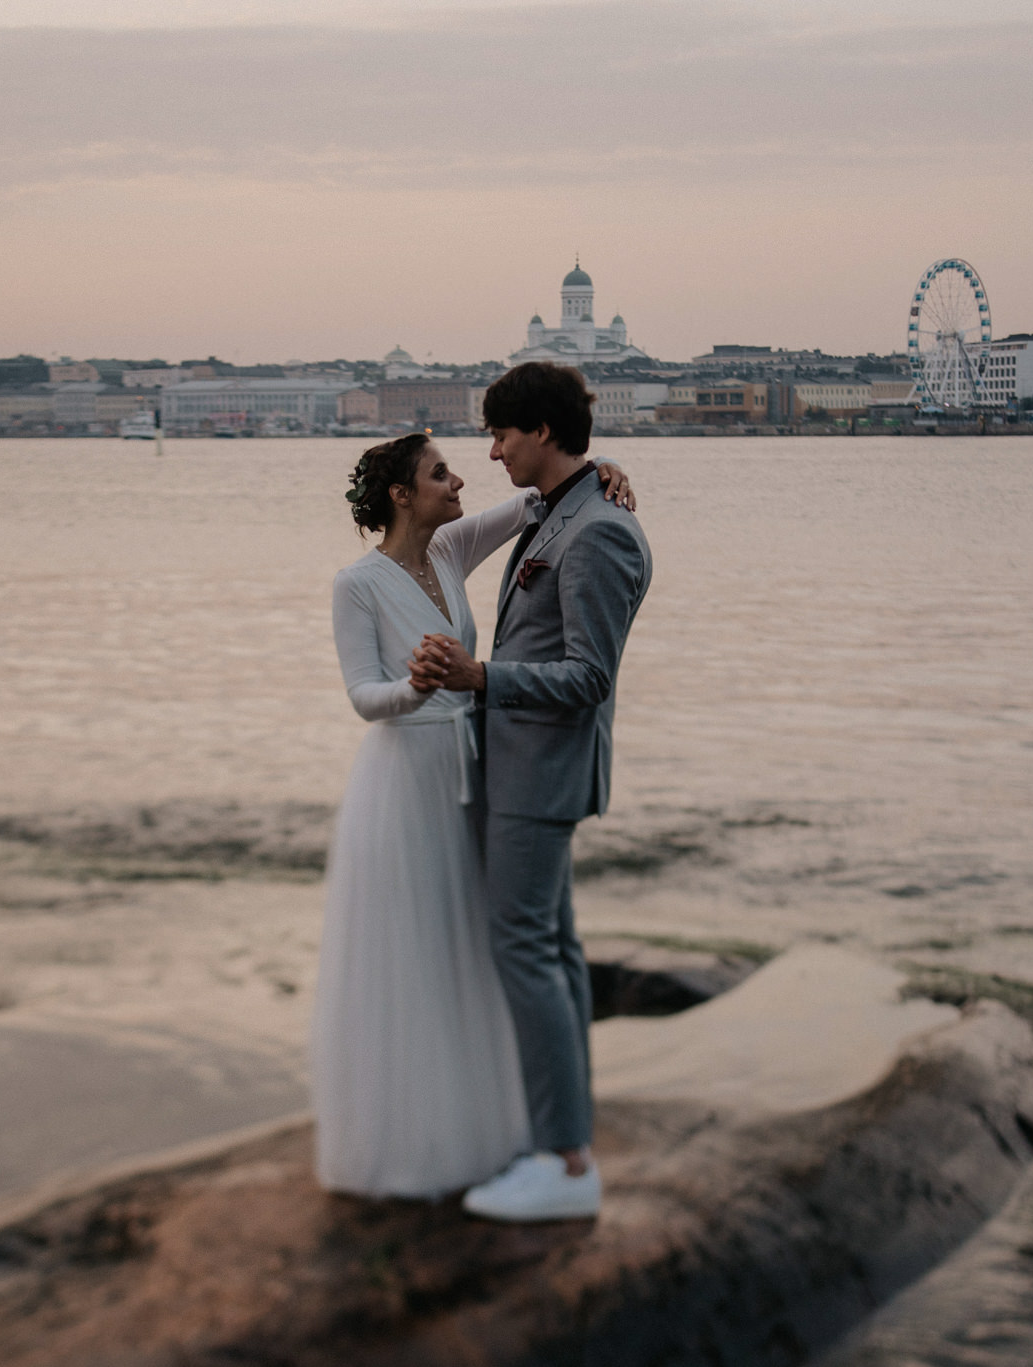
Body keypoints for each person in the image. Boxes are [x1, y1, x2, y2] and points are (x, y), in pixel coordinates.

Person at [311, 432, 633, 1199]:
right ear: (400, 494)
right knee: (418, 950)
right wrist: (416, 690)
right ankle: (416, 1142)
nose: (459, 480)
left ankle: (500, 1126)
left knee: (477, 941)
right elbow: (363, 697)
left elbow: (536, 500)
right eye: (439, 473)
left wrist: (604, 473)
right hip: (404, 779)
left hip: (477, 770)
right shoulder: (355, 584)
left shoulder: (451, 549)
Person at [412, 362, 653, 1222]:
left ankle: (563, 1158)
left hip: (539, 772)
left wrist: (482, 676)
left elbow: (589, 675)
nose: (493, 449)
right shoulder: (568, 508)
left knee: (524, 949)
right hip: (520, 766)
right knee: (553, 951)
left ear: (541, 432)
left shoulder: (599, 534)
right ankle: (564, 1138)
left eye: (503, 434)